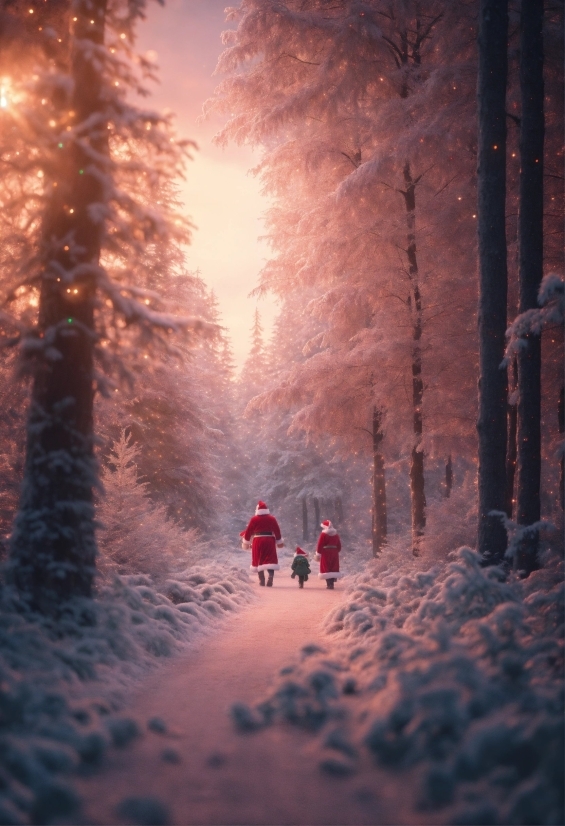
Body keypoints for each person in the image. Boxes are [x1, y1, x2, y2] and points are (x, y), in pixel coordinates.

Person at [241, 501, 284, 586]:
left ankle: (262, 580)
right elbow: (277, 530)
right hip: (269, 540)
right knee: (270, 559)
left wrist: (246, 541)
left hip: (258, 540)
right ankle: (270, 576)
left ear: (257, 510)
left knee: (258, 559)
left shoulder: (254, 519)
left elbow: (249, 531)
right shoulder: (272, 519)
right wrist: (279, 540)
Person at [315, 519, 344, 589]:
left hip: (326, 552)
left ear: (324, 527)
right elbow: (339, 546)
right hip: (334, 552)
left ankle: (329, 584)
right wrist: (336, 551)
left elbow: (320, 544)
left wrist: (318, 553)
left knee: (326, 567)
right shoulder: (336, 535)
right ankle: (332, 582)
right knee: (333, 566)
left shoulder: (323, 534)